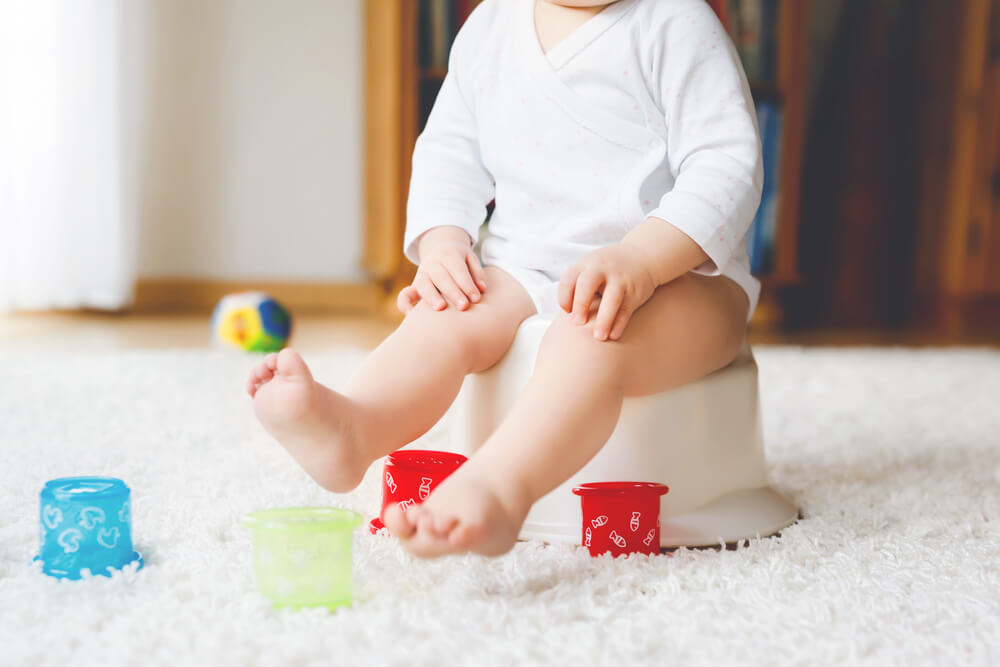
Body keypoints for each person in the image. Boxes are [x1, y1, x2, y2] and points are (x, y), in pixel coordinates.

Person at [247, 0, 761, 558]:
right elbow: (450, 150)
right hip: (525, 263)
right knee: (446, 314)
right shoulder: (491, 26)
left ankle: (499, 487)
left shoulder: (675, 22)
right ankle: (354, 429)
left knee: (590, 337)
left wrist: (642, 257)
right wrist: (444, 239)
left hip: (679, 278)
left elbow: (726, 163)